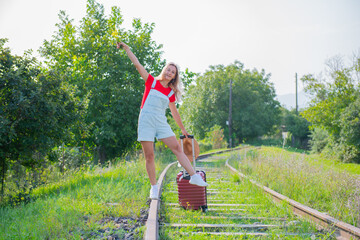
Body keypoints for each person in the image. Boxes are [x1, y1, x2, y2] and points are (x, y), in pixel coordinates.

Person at [117, 42, 208, 200]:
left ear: (174, 77)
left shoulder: (170, 93)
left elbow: (174, 113)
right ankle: (153, 187)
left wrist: (183, 129)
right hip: (146, 120)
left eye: (172, 72)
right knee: (149, 155)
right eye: (168, 70)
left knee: (177, 148)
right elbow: (137, 64)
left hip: (160, 121)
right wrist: (127, 49)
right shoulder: (151, 82)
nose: (169, 73)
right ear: (164, 70)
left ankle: (194, 176)